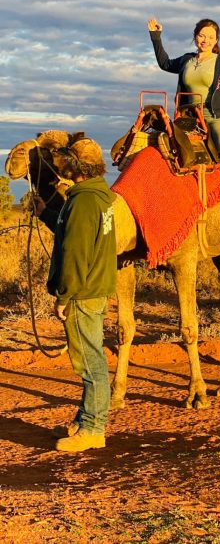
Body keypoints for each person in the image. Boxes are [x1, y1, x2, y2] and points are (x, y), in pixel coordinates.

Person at [34, 139, 117, 452]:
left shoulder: (83, 202)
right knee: (91, 357)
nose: (62, 163)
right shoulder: (98, 197)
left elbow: (75, 254)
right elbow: (72, 231)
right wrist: (46, 214)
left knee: (89, 362)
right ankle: (86, 420)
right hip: (95, 287)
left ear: (76, 165)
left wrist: (64, 297)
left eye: (66, 158)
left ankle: (93, 430)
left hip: (82, 292)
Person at [147, 17, 220, 210]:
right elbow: (165, 64)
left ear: (216, 40)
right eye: (202, 35)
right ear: (195, 37)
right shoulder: (187, 60)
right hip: (189, 118)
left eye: (211, 37)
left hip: (216, 115)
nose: (205, 40)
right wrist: (156, 36)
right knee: (164, 144)